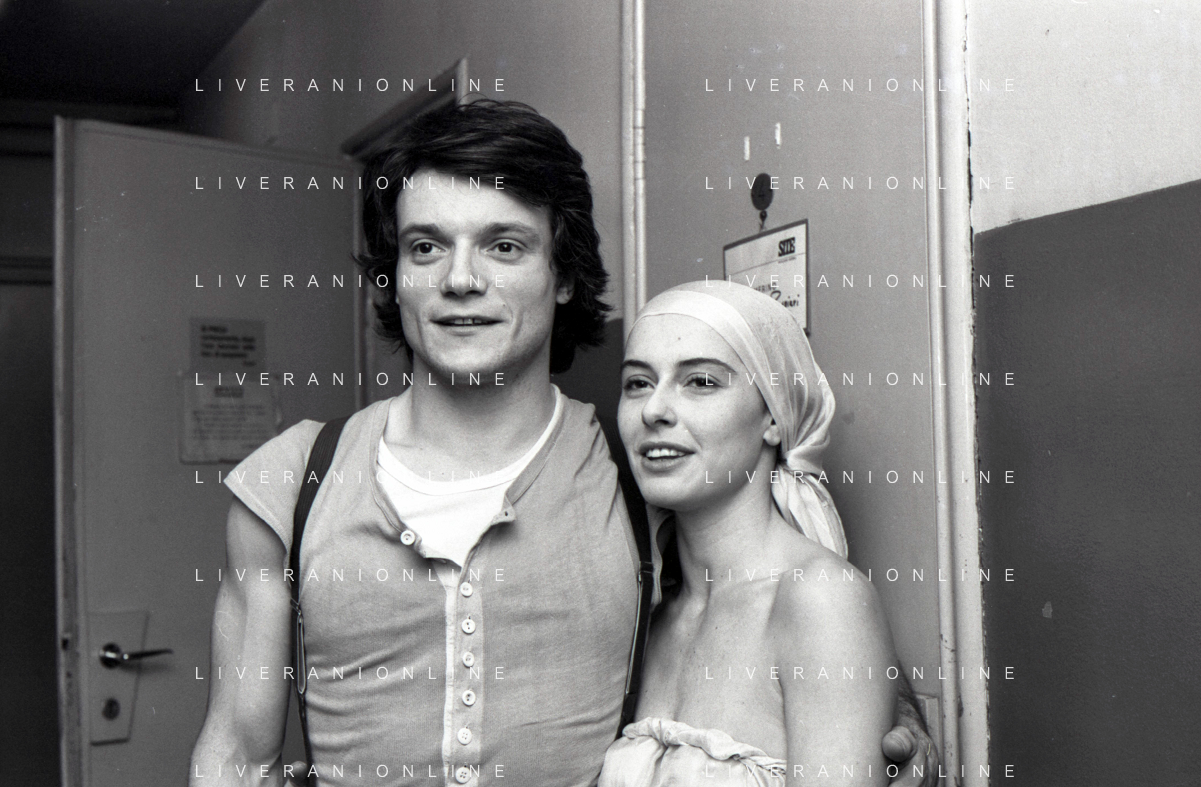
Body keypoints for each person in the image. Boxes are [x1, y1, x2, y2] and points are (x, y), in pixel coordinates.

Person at [189, 100, 936, 787]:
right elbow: (236, 755)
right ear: (395, 277)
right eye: (425, 247)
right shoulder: (294, 482)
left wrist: (899, 726)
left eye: (504, 245)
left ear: (564, 275)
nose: (459, 279)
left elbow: (783, 600)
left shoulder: (637, 472)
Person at [600, 281, 917, 787]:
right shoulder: (650, 610)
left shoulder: (821, 601)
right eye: (638, 383)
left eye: (700, 381)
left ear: (774, 414)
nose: (653, 409)